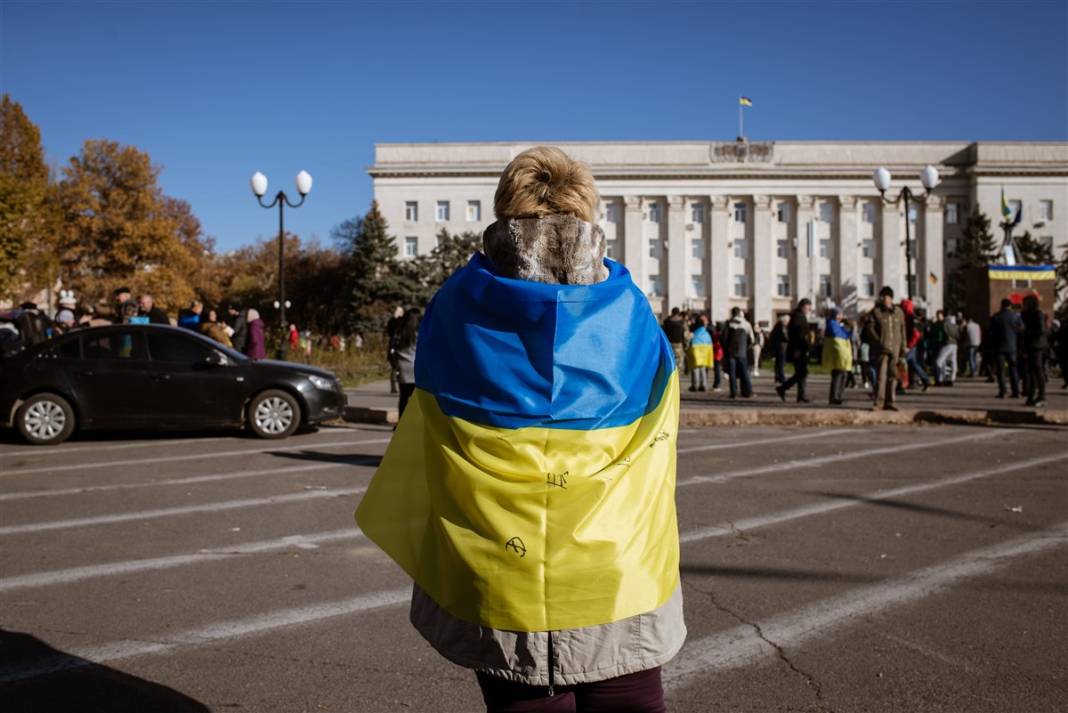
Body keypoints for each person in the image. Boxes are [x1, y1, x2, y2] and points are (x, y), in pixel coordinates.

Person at [356, 146, 682, 713]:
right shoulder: (629, 308)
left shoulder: (456, 304)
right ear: (588, 210)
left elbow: (428, 405)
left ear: (504, 209)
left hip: (500, 576)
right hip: (616, 575)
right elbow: (662, 418)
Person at [864, 286, 907, 411]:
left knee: (893, 376)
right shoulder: (876, 312)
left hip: (895, 349)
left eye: (884, 296)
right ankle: (879, 402)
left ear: (890, 298)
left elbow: (902, 330)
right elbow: (869, 328)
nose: (882, 298)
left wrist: (903, 347)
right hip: (881, 350)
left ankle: (890, 401)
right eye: (881, 296)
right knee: (880, 377)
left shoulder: (899, 312)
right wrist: (878, 341)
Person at [776, 298, 812, 403]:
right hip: (798, 349)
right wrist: (799, 349)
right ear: (801, 306)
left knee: (802, 373)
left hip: (801, 349)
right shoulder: (798, 317)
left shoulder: (800, 316)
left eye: (809, 307)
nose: (809, 309)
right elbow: (797, 335)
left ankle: (800, 395)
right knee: (802, 372)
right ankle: (784, 388)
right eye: (807, 307)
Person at [989, 298, 1022, 398]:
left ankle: (1003, 391)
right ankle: (1016, 391)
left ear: (1001, 305)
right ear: (1010, 306)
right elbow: (1021, 329)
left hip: (999, 347)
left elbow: (991, 332)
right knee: (1013, 369)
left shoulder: (996, 317)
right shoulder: (1015, 316)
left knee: (1001, 371)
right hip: (1012, 347)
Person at [390, 308, 421, 416]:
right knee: (415, 399)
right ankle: (413, 421)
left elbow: (393, 349)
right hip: (415, 367)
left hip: (402, 367)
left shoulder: (399, 332)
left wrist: (395, 363)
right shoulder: (418, 333)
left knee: (403, 396)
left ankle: (401, 420)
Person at [1020, 295, 1048, 407]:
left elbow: (1040, 330)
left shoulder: (1038, 313)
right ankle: (1031, 395)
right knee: (1031, 371)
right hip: (1030, 346)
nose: (1023, 305)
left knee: (1037, 370)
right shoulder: (1026, 314)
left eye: (1025, 303)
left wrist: (1026, 331)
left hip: (1037, 345)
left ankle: (1042, 396)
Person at [823, 308, 853, 405]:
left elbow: (846, 335)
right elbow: (838, 337)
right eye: (838, 314)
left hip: (842, 355)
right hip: (837, 355)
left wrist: (849, 327)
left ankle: (839, 396)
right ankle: (834, 397)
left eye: (841, 314)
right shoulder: (831, 324)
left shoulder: (839, 325)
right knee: (838, 375)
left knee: (844, 375)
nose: (840, 317)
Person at [725, 307, 754, 398]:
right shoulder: (746, 324)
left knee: (732, 373)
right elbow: (752, 339)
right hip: (742, 351)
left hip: (731, 352)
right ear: (740, 313)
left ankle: (733, 392)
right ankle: (748, 391)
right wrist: (747, 347)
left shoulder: (729, 323)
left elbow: (725, 338)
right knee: (744, 372)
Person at [901, 299, 929, 392]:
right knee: (913, 364)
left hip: (910, 345)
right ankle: (925, 379)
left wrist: (908, 346)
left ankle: (902, 384)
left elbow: (916, 334)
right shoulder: (911, 318)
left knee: (901, 363)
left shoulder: (910, 318)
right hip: (912, 345)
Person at [935, 314, 960, 386]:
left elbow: (941, 335)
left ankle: (940, 379)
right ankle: (950, 379)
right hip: (954, 344)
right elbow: (958, 336)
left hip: (947, 343)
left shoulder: (945, 325)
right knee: (951, 362)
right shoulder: (956, 326)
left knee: (939, 361)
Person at [386, 306, 405, 394]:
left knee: (398, 367)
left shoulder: (402, 322)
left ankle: (398, 386)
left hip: (398, 347)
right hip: (394, 347)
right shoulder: (393, 322)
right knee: (394, 367)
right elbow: (390, 332)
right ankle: (393, 387)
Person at [769, 314, 788, 384]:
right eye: (787, 321)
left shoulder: (776, 327)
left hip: (777, 347)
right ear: (784, 321)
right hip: (782, 347)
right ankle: (782, 377)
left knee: (778, 363)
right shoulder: (782, 327)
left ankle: (777, 377)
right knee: (781, 363)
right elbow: (785, 337)